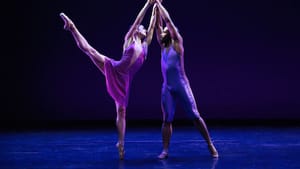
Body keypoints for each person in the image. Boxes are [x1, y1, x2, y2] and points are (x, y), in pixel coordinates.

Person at [59, 0, 157, 160]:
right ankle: (72, 27)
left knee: (121, 111)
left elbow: (152, 25)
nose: (144, 28)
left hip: (124, 80)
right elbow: (138, 21)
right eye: (141, 28)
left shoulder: (145, 47)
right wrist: (148, 3)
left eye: (144, 29)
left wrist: (157, 6)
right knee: (90, 50)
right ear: (136, 31)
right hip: (114, 68)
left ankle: (121, 143)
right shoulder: (128, 40)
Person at [154, 0, 219, 159]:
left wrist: (158, 3)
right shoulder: (163, 47)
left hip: (181, 86)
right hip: (168, 88)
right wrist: (155, 8)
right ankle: (165, 150)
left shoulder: (177, 42)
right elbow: (158, 25)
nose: (162, 31)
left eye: (165, 30)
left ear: (170, 32)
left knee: (195, 116)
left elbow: (167, 21)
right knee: (166, 120)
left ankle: (210, 144)